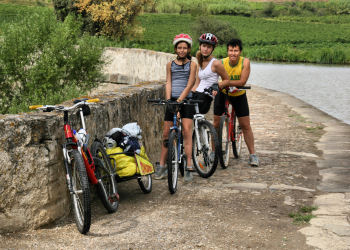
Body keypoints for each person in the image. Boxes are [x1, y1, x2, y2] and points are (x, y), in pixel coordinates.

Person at [154, 33, 197, 182]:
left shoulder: (193, 64)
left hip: (185, 101)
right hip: (172, 101)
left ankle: (189, 164)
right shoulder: (170, 65)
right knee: (166, 133)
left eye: (185, 48)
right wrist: (168, 100)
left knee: (186, 131)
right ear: (175, 49)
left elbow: (190, 83)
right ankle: (162, 165)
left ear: (189, 49)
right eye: (179, 48)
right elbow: (169, 83)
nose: (182, 50)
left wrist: (180, 100)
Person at [213, 38, 259, 167]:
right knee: (215, 123)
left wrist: (224, 83)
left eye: (236, 51)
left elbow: (242, 82)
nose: (233, 53)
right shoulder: (221, 62)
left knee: (245, 125)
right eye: (231, 50)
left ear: (240, 51)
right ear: (227, 51)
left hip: (239, 94)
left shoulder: (245, 62)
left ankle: (252, 155)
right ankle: (212, 152)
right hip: (224, 94)